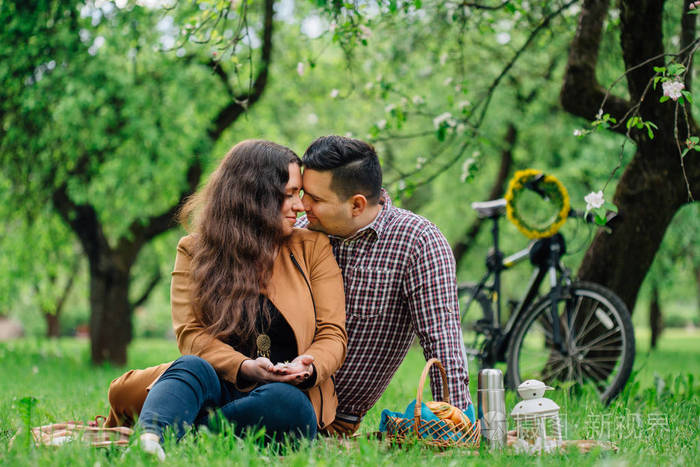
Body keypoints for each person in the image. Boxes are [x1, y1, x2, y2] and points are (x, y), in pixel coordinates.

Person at [105, 140, 347, 457]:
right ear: (254, 197)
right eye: (288, 195)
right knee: (191, 366)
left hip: (280, 392)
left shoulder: (312, 247)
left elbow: (333, 333)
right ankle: (150, 444)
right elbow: (191, 335)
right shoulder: (194, 250)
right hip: (215, 385)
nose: (299, 206)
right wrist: (245, 366)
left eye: (298, 194)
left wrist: (309, 367)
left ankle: (181, 431)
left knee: (288, 405)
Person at [297, 135, 472, 437]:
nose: (302, 205)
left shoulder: (417, 242)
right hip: (268, 392)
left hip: (332, 418)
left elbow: (442, 344)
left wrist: (458, 425)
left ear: (356, 205)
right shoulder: (298, 234)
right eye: (303, 193)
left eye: (316, 199)